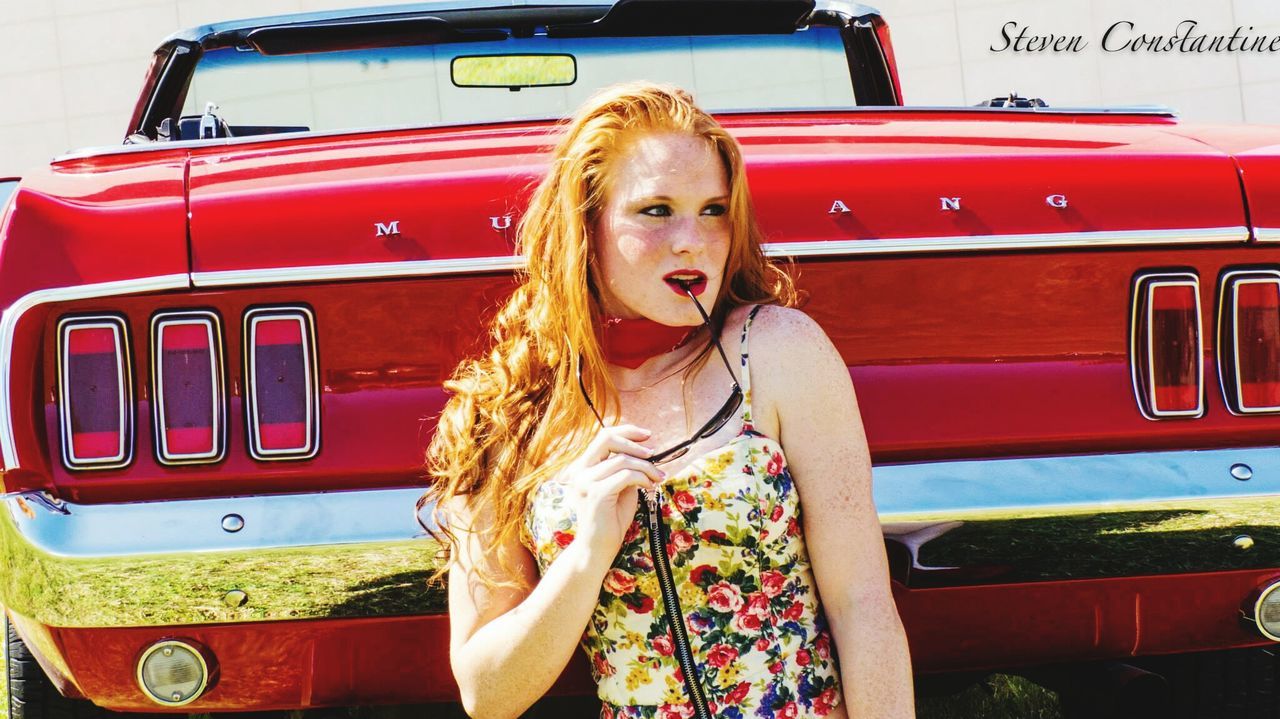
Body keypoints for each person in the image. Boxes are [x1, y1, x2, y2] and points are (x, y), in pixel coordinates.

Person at [421, 82, 914, 719]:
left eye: (713, 209)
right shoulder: (505, 412)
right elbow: (488, 693)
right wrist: (587, 555)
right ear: (584, 225)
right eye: (656, 211)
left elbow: (863, 603)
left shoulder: (778, 351)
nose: (694, 240)